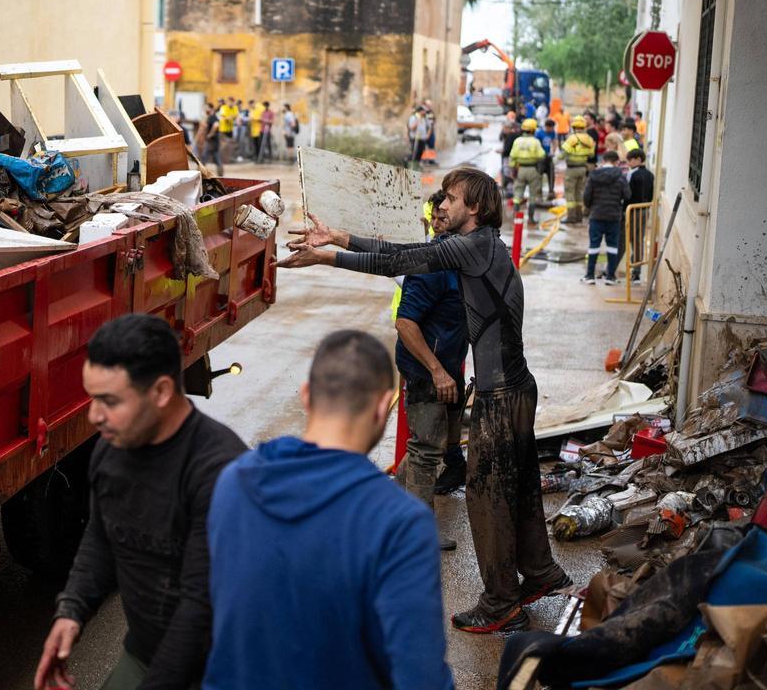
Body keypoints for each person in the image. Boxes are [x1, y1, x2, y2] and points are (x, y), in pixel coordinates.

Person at [277, 167, 572, 634]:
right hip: (517, 388)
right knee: (519, 487)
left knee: (487, 498)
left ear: (475, 208)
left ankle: (501, 603)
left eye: (451, 198)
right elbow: (404, 252)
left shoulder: (471, 247)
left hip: (501, 395)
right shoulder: (483, 245)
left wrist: (326, 257)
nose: (442, 205)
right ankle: (540, 572)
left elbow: (399, 260)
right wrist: (336, 237)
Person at [203, 330, 454, 690]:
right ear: (383, 407)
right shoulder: (398, 522)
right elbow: (421, 676)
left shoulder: (234, 483)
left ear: (306, 395)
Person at [33, 315, 246, 690]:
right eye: (93, 398)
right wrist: (71, 611)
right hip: (147, 656)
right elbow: (102, 536)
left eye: (110, 401)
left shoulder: (220, 474)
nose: (94, 416)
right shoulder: (113, 450)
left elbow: (200, 610)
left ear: (161, 392)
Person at [390, 200, 466, 550]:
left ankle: (387, 505)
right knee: (426, 449)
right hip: (426, 369)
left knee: (429, 443)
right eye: (434, 217)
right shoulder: (432, 264)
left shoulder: (459, 259)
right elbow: (405, 323)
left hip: (445, 365)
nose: (436, 221)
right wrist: (436, 371)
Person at [581, 150, 631, 286]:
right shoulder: (620, 176)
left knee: (594, 246)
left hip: (596, 215)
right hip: (614, 216)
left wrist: (591, 207)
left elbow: (586, 196)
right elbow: (627, 195)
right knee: (613, 247)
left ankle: (589, 276)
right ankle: (610, 277)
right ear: (616, 162)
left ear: (603, 161)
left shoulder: (594, 175)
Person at [560, 116, 596, 225]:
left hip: (572, 169)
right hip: (583, 168)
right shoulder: (589, 139)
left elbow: (564, 153)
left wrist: (555, 159)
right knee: (579, 192)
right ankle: (579, 216)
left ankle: (571, 216)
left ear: (574, 127)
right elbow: (591, 154)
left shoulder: (572, 138)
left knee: (570, 192)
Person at [510, 118, 546, 225]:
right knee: (532, 195)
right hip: (532, 169)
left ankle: (516, 218)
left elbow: (512, 157)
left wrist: (513, 169)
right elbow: (542, 155)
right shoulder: (535, 141)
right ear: (533, 130)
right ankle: (531, 219)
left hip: (520, 169)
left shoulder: (517, 141)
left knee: (517, 194)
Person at [626, 149, 654, 282]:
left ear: (638, 159)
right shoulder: (650, 174)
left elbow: (628, 195)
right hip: (645, 209)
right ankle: (637, 271)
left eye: (630, 160)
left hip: (632, 210)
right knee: (638, 240)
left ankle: (611, 271)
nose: (628, 163)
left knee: (625, 239)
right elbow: (651, 194)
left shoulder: (633, 174)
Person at [499, 112, 521, 197]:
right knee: (509, 173)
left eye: (504, 128)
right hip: (511, 157)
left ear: (508, 128)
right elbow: (500, 138)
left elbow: (508, 149)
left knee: (508, 174)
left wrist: (502, 152)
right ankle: (509, 189)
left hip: (509, 158)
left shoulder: (511, 136)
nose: (503, 130)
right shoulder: (510, 134)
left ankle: (510, 191)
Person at [537, 118, 559, 201]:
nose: (552, 129)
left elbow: (554, 141)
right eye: (551, 128)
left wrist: (553, 151)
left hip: (549, 157)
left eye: (553, 128)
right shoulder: (539, 133)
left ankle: (551, 191)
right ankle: (539, 193)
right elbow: (537, 144)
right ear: (547, 127)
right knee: (539, 175)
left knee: (551, 173)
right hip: (541, 157)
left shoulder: (553, 132)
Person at [201, 103, 223, 177]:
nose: (205, 109)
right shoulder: (210, 117)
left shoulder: (213, 117)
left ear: (211, 108)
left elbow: (216, 125)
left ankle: (200, 172)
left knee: (204, 156)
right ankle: (220, 174)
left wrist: (210, 134)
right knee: (216, 157)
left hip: (211, 141)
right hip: (213, 141)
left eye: (206, 108)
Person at [218, 98, 237, 162]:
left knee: (230, 144)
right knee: (223, 144)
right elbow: (224, 117)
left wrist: (231, 117)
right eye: (230, 102)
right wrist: (230, 117)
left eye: (232, 102)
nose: (231, 103)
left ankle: (228, 158)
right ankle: (221, 158)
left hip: (230, 129)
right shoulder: (223, 108)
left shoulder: (234, 108)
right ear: (227, 102)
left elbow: (236, 116)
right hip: (223, 129)